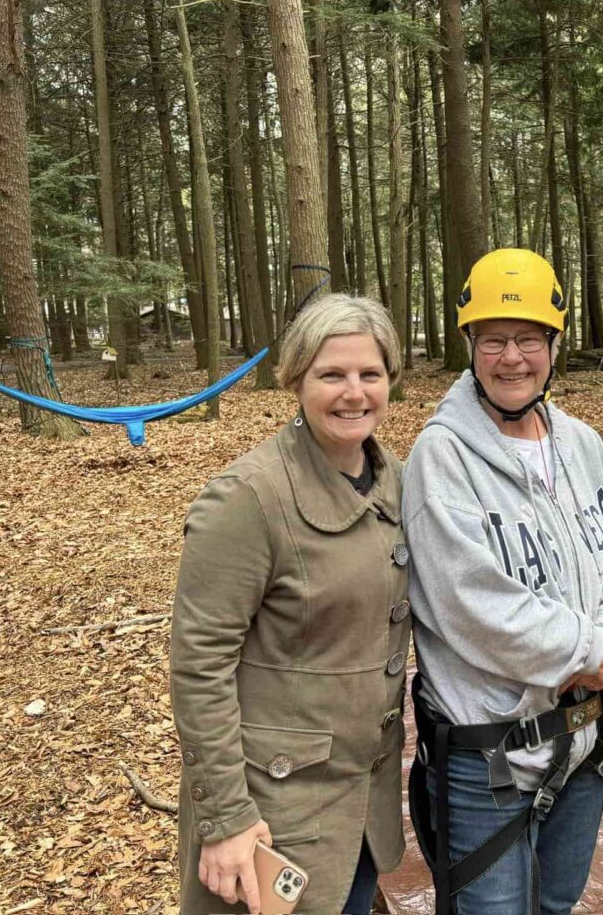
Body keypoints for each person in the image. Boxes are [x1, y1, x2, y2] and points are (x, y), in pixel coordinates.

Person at [402, 248, 603, 915]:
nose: (512, 357)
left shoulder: (580, 445)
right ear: (469, 345)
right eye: (494, 340)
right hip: (491, 756)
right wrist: (588, 652)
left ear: (553, 344)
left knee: (557, 901)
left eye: (528, 339)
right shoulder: (441, 457)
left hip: (582, 738)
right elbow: (468, 601)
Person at [170, 294, 410, 915]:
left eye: (370, 374)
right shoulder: (247, 499)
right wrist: (224, 819)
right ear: (297, 378)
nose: (353, 392)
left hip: (362, 809)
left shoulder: (398, 481)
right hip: (271, 816)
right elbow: (200, 668)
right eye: (332, 374)